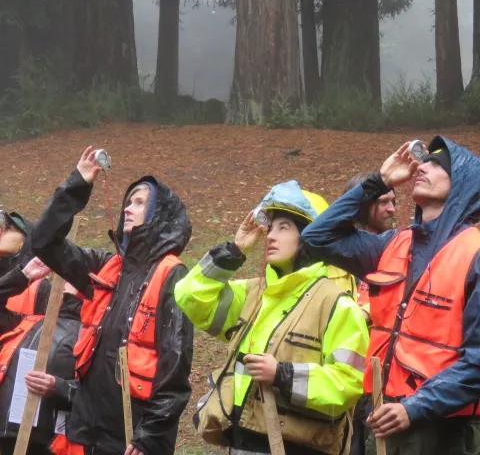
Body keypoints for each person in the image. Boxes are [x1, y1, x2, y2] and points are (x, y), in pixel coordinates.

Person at [301, 137, 480, 455]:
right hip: (380, 416)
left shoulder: (475, 254)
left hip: (443, 430)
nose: (421, 166)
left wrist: (414, 408)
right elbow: (316, 237)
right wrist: (377, 182)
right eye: (424, 161)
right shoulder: (393, 244)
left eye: (437, 164)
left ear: (462, 184)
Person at [175, 180, 369, 455]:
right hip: (241, 442)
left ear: (310, 236)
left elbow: (349, 384)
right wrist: (235, 250)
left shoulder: (336, 304)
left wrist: (282, 374)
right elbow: (190, 297)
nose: (270, 236)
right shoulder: (254, 294)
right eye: (271, 227)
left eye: (284, 227)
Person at [31, 147, 194, 455]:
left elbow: (175, 371)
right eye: (127, 202)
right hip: (87, 433)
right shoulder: (105, 268)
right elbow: (44, 241)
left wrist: (150, 437)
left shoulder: (172, 276)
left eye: (139, 202)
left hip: (133, 440)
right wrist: (78, 183)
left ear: (159, 215)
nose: (128, 209)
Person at [342, 174, 396, 455]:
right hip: (341, 381)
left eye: (393, 201)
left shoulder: (398, 251)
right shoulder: (337, 253)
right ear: (362, 206)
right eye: (382, 202)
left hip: (382, 381)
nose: (392, 209)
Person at [0, 282, 82, 455]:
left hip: (49, 443)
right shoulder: (26, 322)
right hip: (6, 432)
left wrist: (59, 387)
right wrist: (22, 276)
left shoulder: (91, 334)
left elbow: (103, 394)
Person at [0, 210, 51, 334]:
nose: (2, 232)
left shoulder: (40, 287)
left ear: (24, 242)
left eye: (8, 229)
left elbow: (41, 333)